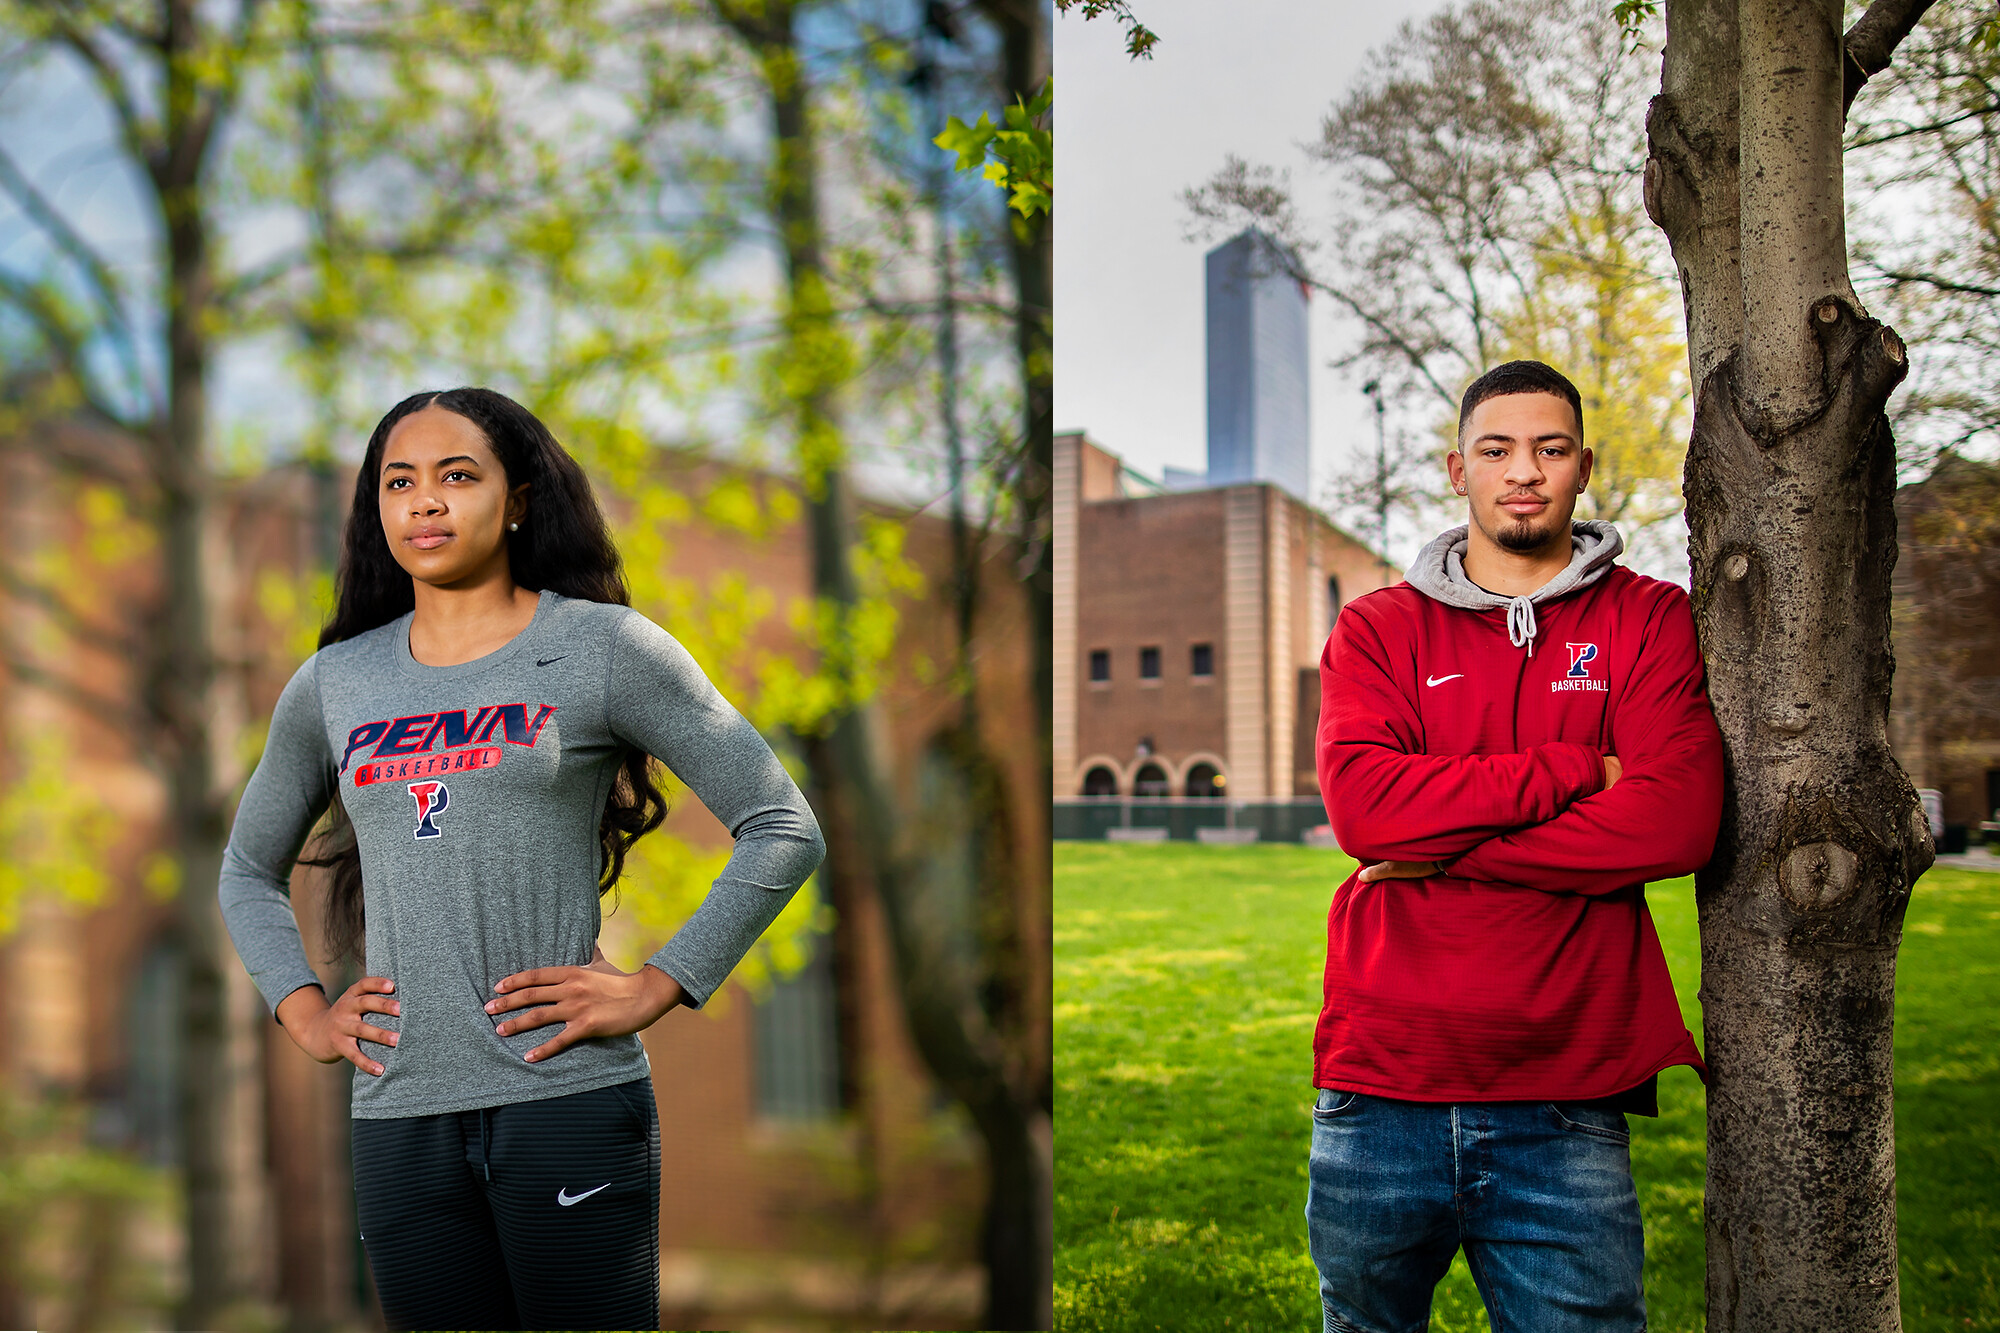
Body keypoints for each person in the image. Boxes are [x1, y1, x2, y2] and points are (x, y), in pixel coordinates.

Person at [218, 387, 825, 1331]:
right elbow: (246, 870)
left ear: (518, 499)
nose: (425, 501)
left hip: (565, 1098)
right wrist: (304, 1012)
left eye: (457, 475)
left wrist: (659, 982)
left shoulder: (603, 649)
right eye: (399, 481)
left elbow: (783, 824)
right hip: (399, 1112)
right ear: (377, 511)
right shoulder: (335, 681)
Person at [1307, 360, 1722, 1332]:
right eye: (1495, 449)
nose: (1521, 470)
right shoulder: (1377, 628)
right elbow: (1365, 811)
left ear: (1583, 465)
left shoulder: (1647, 618)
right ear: (1458, 469)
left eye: (1547, 448)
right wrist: (1576, 770)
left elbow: (1678, 818)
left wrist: (1443, 847)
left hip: (1564, 1097)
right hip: (1378, 1085)